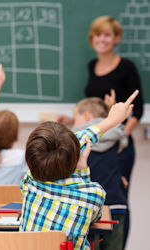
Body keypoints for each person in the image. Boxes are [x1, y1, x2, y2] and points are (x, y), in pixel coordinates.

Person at [20, 91, 138, 250]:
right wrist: (112, 120)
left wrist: (110, 120)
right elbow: (94, 217)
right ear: (74, 156)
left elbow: (78, 139)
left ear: (30, 158)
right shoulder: (93, 195)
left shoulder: (30, 182)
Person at [85, 16, 144, 248]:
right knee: (95, 198)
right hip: (96, 146)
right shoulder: (91, 66)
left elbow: (137, 109)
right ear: (92, 39)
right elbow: (94, 105)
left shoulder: (126, 67)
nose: (102, 39)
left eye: (107, 34)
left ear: (116, 38)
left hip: (119, 147)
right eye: (98, 34)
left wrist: (120, 136)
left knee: (118, 202)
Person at [72, 97, 128, 250]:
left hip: (90, 206)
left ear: (87, 116)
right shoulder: (117, 136)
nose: (73, 123)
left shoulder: (76, 141)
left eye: (75, 118)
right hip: (116, 202)